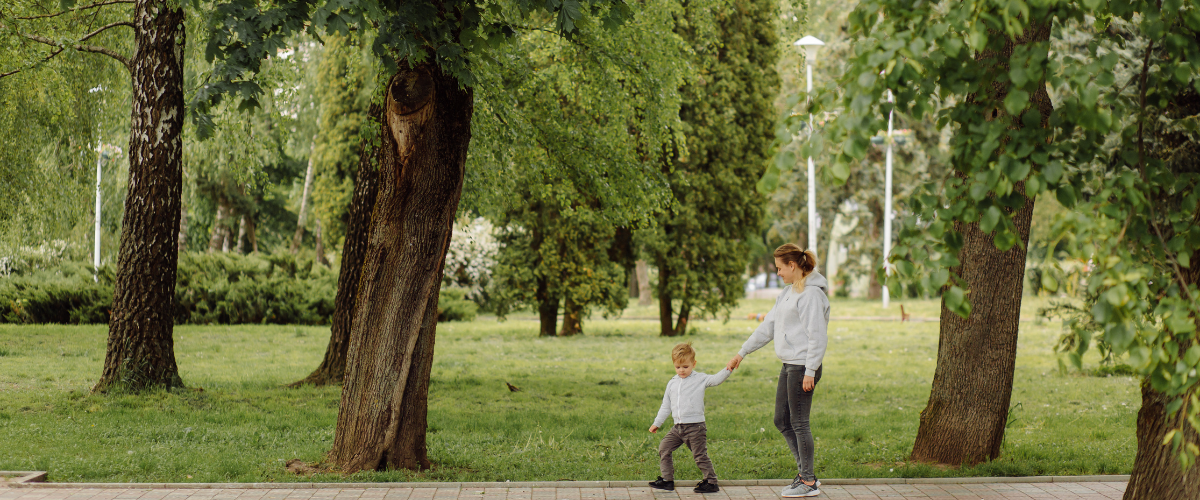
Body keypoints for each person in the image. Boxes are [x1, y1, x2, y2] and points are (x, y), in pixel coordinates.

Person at [727, 243, 829, 498]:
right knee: (782, 420)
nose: (778, 273)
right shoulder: (787, 293)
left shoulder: (811, 295)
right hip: (789, 364)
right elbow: (768, 326)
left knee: (799, 422)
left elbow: (817, 336)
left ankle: (807, 481)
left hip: (803, 366)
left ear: (792, 265)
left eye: (780, 268)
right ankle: (806, 475)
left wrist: (810, 370)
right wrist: (742, 352)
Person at [648, 342, 732, 493]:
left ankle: (711, 482)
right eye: (678, 367)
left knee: (699, 455)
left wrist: (729, 368)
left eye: (685, 367)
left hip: (695, 427)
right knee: (664, 448)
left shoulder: (700, 379)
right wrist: (657, 423)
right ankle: (667, 480)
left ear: (694, 364)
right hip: (677, 428)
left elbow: (716, 379)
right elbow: (666, 405)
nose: (681, 370)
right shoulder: (672, 383)